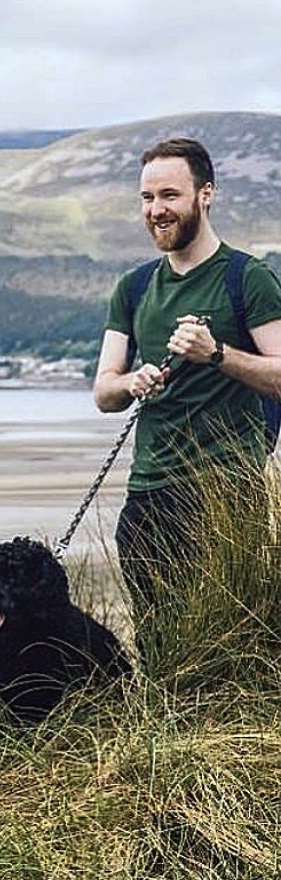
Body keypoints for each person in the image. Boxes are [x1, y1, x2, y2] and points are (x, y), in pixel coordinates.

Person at [93, 137, 281, 656]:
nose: (157, 210)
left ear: (206, 194)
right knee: (157, 641)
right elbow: (104, 390)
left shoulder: (248, 278)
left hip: (225, 490)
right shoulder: (133, 288)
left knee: (226, 642)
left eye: (170, 195)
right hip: (149, 489)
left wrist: (217, 352)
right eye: (147, 198)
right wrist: (132, 383)